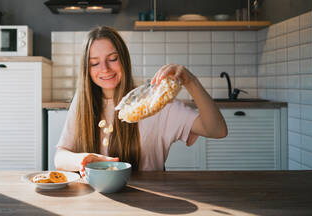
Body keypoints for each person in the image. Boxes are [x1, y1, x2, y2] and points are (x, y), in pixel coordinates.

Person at [55, 26, 227, 174]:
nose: (105, 69)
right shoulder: (83, 101)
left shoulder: (156, 104)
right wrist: (82, 160)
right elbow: (60, 156)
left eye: (113, 59)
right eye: (94, 63)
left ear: (124, 59)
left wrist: (190, 81)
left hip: (150, 198)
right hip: (96, 198)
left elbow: (217, 130)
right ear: (87, 69)